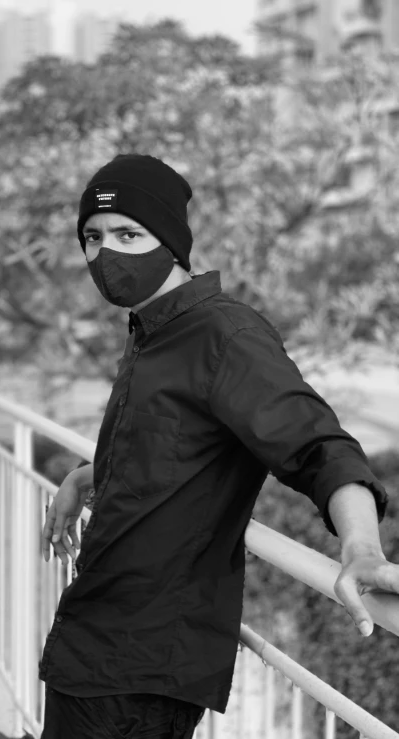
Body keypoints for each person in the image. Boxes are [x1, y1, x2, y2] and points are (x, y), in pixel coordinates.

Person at [39, 154, 397, 738]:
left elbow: (319, 446)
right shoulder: (151, 329)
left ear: (172, 243)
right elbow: (168, 446)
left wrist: (360, 545)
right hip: (94, 633)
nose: (106, 254)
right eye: (93, 237)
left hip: (141, 663)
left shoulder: (225, 335)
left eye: (129, 234)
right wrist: (92, 476)